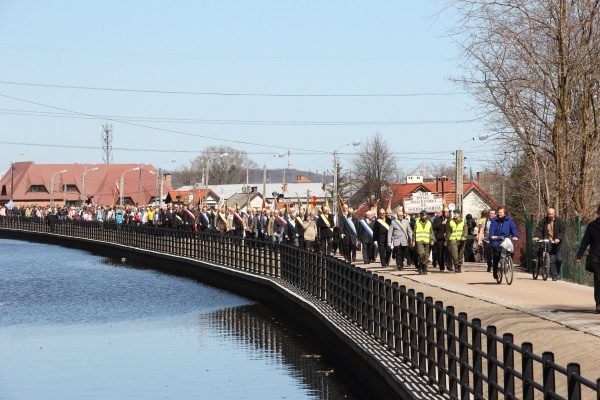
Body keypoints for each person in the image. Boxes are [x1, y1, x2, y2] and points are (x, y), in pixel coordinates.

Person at [575, 204, 600, 314]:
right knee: (599, 281)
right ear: (598, 212)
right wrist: (579, 255)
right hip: (596, 258)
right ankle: (599, 304)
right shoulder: (592, 226)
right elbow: (585, 242)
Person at [533, 207, 566, 281]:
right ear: (547, 214)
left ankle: (557, 273)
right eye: (549, 214)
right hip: (548, 242)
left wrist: (558, 238)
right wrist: (536, 236)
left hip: (558, 243)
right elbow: (539, 229)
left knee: (559, 259)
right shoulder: (544, 221)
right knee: (552, 259)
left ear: (554, 214)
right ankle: (554, 275)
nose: (550, 215)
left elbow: (563, 230)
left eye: (552, 214)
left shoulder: (559, 221)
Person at [489, 205, 519, 280]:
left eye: (501, 212)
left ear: (505, 213)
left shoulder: (509, 220)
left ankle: (508, 264)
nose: (499, 214)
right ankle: (495, 271)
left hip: (506, 238)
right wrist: (492, 236)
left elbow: (513, 228)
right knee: (497, 254)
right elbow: (492, 229)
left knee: (510, 249)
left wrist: (515, 236)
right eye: (498, 212)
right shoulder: (494, 220)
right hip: (496, 239)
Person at [412, 210, 434, 275]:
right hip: (419, 241)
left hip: (427, 241)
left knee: (426, 255)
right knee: (421, 254)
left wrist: (432, 240)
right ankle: (420, 265)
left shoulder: (429, 223)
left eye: (425, 215)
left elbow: (431, 232)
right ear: (421, 216)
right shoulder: (417, 222)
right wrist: (413, 241)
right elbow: (414, 232)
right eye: (423, 215)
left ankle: (424, 267)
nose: (424, 216)